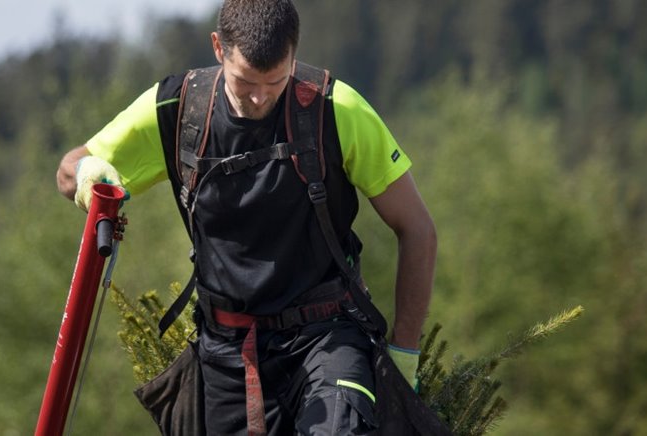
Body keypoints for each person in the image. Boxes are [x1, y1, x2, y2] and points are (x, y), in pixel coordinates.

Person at [56, 0, 436, 434]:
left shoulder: (336, 108)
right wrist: (88, 174)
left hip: (328, 335)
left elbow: (418, 229)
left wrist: (404, 355)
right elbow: (70, 169)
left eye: (276, 81)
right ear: (218, 48)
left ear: (295, 53)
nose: (260, 97)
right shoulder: (177, 108)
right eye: (245, 82)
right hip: (227, 352)